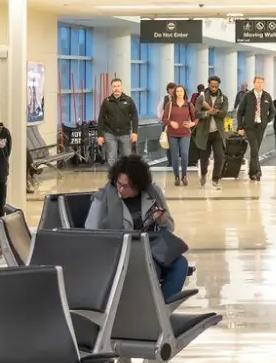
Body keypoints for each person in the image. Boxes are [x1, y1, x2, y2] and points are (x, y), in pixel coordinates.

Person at [84, 155, 189, 303]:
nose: (121, 189)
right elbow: (90, 233)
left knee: (180, 264)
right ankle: (152, 310)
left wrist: (162, 219)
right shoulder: (103, 198)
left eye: (126, 186)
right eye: (118, 183)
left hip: (152, 250)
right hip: (119, 253)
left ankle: (163, 310)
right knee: (151, 269)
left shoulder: (153, 193)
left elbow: (169, 227)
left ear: (139, 185)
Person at [237, 75, 275, 181]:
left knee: (255, 150)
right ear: (254, 83)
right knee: (254, 148)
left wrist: (266, 121)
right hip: (249, 127)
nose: (260, 84)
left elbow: (273, 111)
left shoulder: (267, 96)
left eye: (261, 82)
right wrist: (240, 127)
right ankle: (258, 171)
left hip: (260, 127)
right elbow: (240, 112)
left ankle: (251, 172)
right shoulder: (248, 95)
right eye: (258, 82)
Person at [193, 75, 229, 189]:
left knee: (220, 156)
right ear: (209, 84)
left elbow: (224, 113)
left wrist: (215, 111)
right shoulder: (201, 98)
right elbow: (196, 113)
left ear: (218, 86)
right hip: (205, 132)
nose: (214, 87)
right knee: (204, 157)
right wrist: (207, 113)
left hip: (218, 132)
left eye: (216, 86)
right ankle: (203, 173)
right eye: (212, 85)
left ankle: (215, 179)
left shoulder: (223, 98)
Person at [97, 78, 139, 165]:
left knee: (127, 158)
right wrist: (99, 135)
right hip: (110, 133)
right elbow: (101, 119)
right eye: (114, 86)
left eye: (118, 86)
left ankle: (126, 177)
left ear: (121, 87)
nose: (116, 88)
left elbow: (135, 116)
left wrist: (135, 132)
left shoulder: (128, 100)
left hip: (125, 134)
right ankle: (114, 178)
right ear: (111, 88)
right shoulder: (106, 102)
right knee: (112, 158)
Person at [162, 85, 195, 186]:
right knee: (175, 156)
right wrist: (171, 122)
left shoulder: (189, 104)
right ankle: (176, 177)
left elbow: (196, 118)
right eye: (178, 91)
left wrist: (192, 124)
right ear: (175, 93)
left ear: (184, 92)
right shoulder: (170, 104)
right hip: (172, 134)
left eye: (181, 91)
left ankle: (184, 176)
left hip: (185, 133)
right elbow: (164, 118)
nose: (179, 93)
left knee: (184, 154)